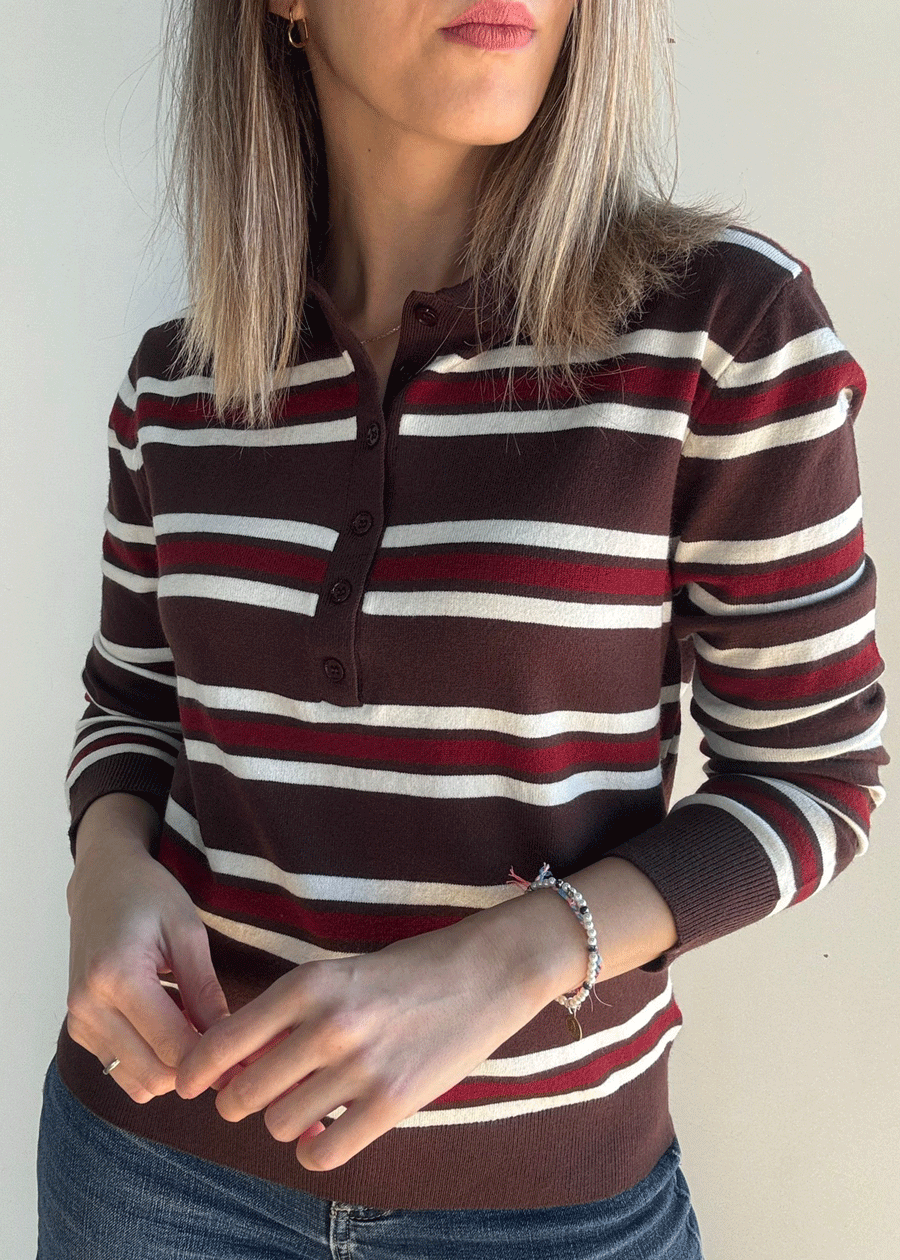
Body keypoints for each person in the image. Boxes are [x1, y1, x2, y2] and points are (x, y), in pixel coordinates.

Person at [36, 2, 888, 1257]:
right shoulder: (180, 379)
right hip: (149, 1175)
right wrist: (106, 872)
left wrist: (515, 958)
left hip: (548, 1214)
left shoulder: (721, 332)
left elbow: (815, 778)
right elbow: (132, 707)